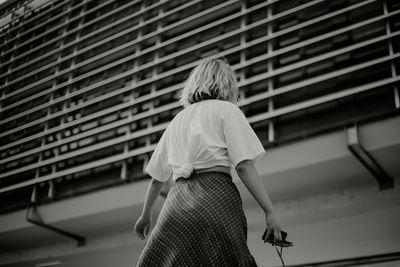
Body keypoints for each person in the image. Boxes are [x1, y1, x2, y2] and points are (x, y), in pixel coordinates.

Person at [134, 57, 282, 266]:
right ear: (227, 83)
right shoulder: (226, 110)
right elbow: (243, 166)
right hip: (216, 198)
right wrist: (269, 211)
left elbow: (157, 179)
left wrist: (146, 215)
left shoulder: (177, 120)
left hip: (175, 207)